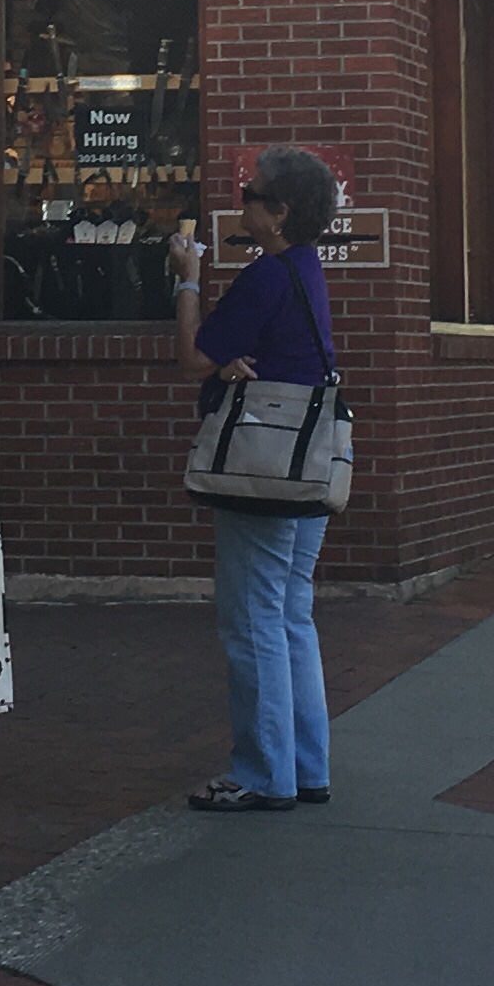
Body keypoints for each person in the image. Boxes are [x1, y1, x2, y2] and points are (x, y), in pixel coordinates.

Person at [165, 145, 342, 814]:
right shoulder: (306, 272)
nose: (240, 199)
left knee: (252, 619)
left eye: (250, 192)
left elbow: (192, 357)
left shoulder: (267, 276)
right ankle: (305, 764)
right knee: (291, 614)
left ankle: (263, 773)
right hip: (308, 465)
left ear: (279, 211)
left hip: (262, 469)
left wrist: (187, 278)